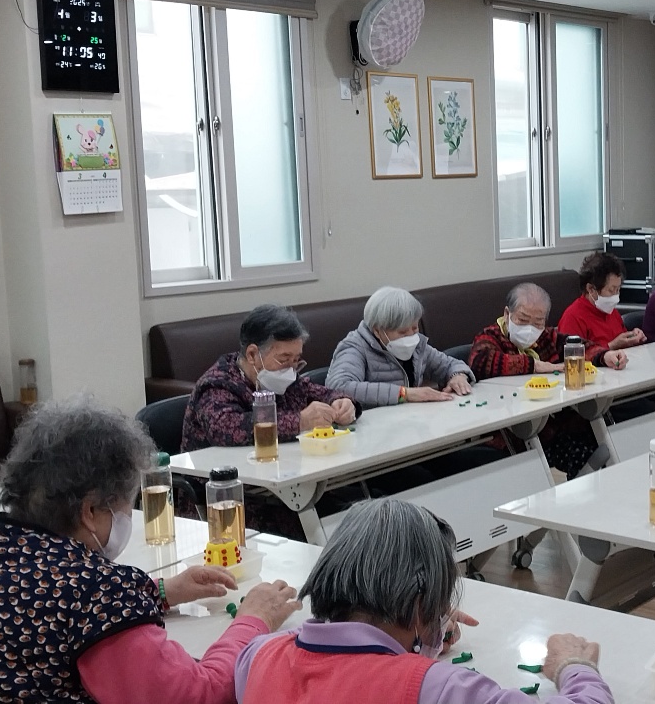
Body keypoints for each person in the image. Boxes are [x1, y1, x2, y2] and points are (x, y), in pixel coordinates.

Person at [0, 396, 303, 703]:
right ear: (91, 511)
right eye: (127, 504)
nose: (129, 516)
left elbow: (44, 607)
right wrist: (253, 621)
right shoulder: (96, 592)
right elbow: (198, 694)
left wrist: (161, 591)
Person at [234, 497, 612, 703]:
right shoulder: (437, 689)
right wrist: (574, 666)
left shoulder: (256, 655)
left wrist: (418, 636)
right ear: (420, 601)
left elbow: (334, 657)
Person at [468, 284, 627, 477]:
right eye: (522, 320)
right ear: (507, 314)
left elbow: (578, 346)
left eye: (538, 323)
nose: (529, 329)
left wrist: (604, 355)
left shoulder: (547, 337)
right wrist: (535, 365)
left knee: (596, 443)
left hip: (551, 426)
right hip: (511, 433)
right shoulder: (490, 337)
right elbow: (480, 362)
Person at [182, 304, 358, 452]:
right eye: (284, 359)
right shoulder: (217, 384)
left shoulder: (288, 379)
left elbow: (323, 393)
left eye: (296, 360)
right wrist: (300, 421)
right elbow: (228, 428)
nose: (291, 369)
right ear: (252, 354)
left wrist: (342, 403)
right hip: (219, 479)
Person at [327, 286, 476, 407]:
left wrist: (458, 376)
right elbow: (339, 387)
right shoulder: (355, 347)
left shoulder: (418, 345)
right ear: (377, 331)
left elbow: (450, 364)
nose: (411, 335)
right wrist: (406, 394)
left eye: (414, 328)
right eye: (403, 332)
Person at [557, 252, 647, 350]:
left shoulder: (612, 312)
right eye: (611, 290)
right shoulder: (573, 318)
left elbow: (623, 343)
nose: (615, 296)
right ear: (591, 289)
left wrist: (633, 338)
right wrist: (611, 346)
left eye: (618, 290)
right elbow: (571, 356)